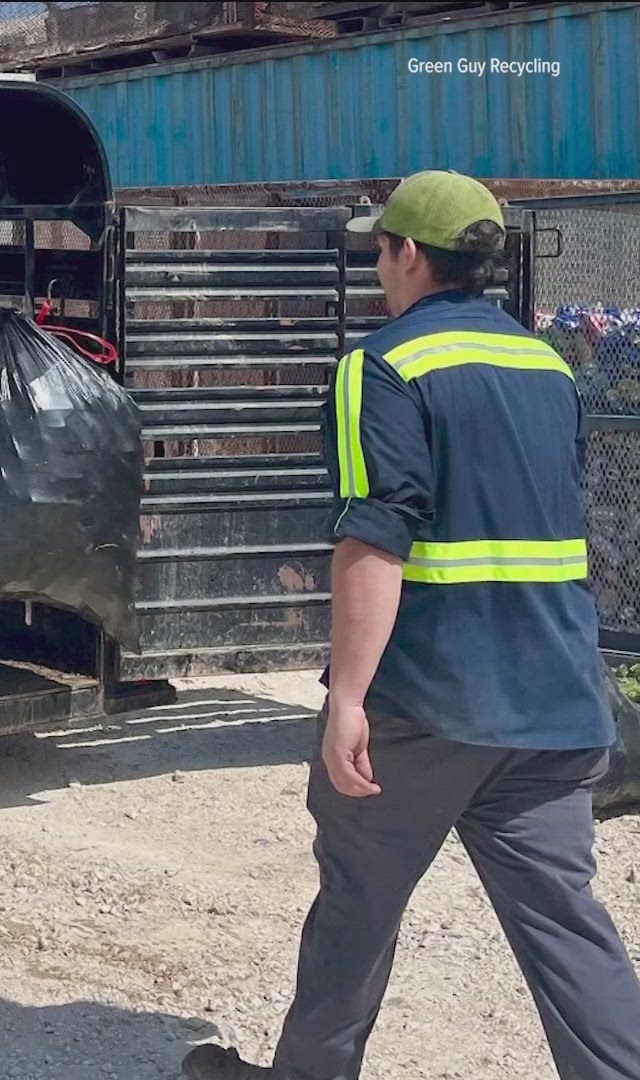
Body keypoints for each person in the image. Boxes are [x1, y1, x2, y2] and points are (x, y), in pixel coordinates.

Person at [183, 171, 640, 1079]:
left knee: (357, 905)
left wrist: (348, 697)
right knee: (567, 927)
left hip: (427, 701)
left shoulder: (383, 365)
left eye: (381, 249)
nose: (378, 266)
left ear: (410, 255)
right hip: (557, 698)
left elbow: (376, 534)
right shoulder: (548, 366)